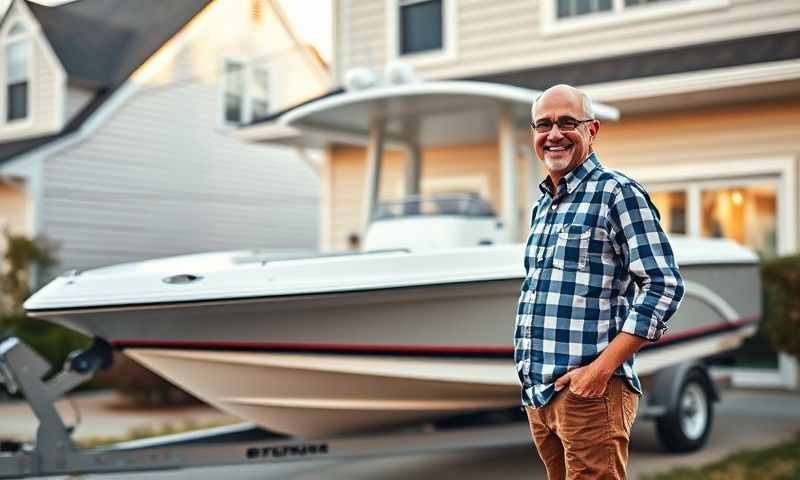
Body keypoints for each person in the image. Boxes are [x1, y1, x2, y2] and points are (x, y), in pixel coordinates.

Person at [514, 84, 685, 479]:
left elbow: (664, 285)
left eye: (567, 122)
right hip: (540, 395)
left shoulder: (617, 193)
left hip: (590, 395)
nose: (554, 134)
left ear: (592, 131)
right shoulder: (544, 203)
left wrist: (600, 371)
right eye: (543, 125)